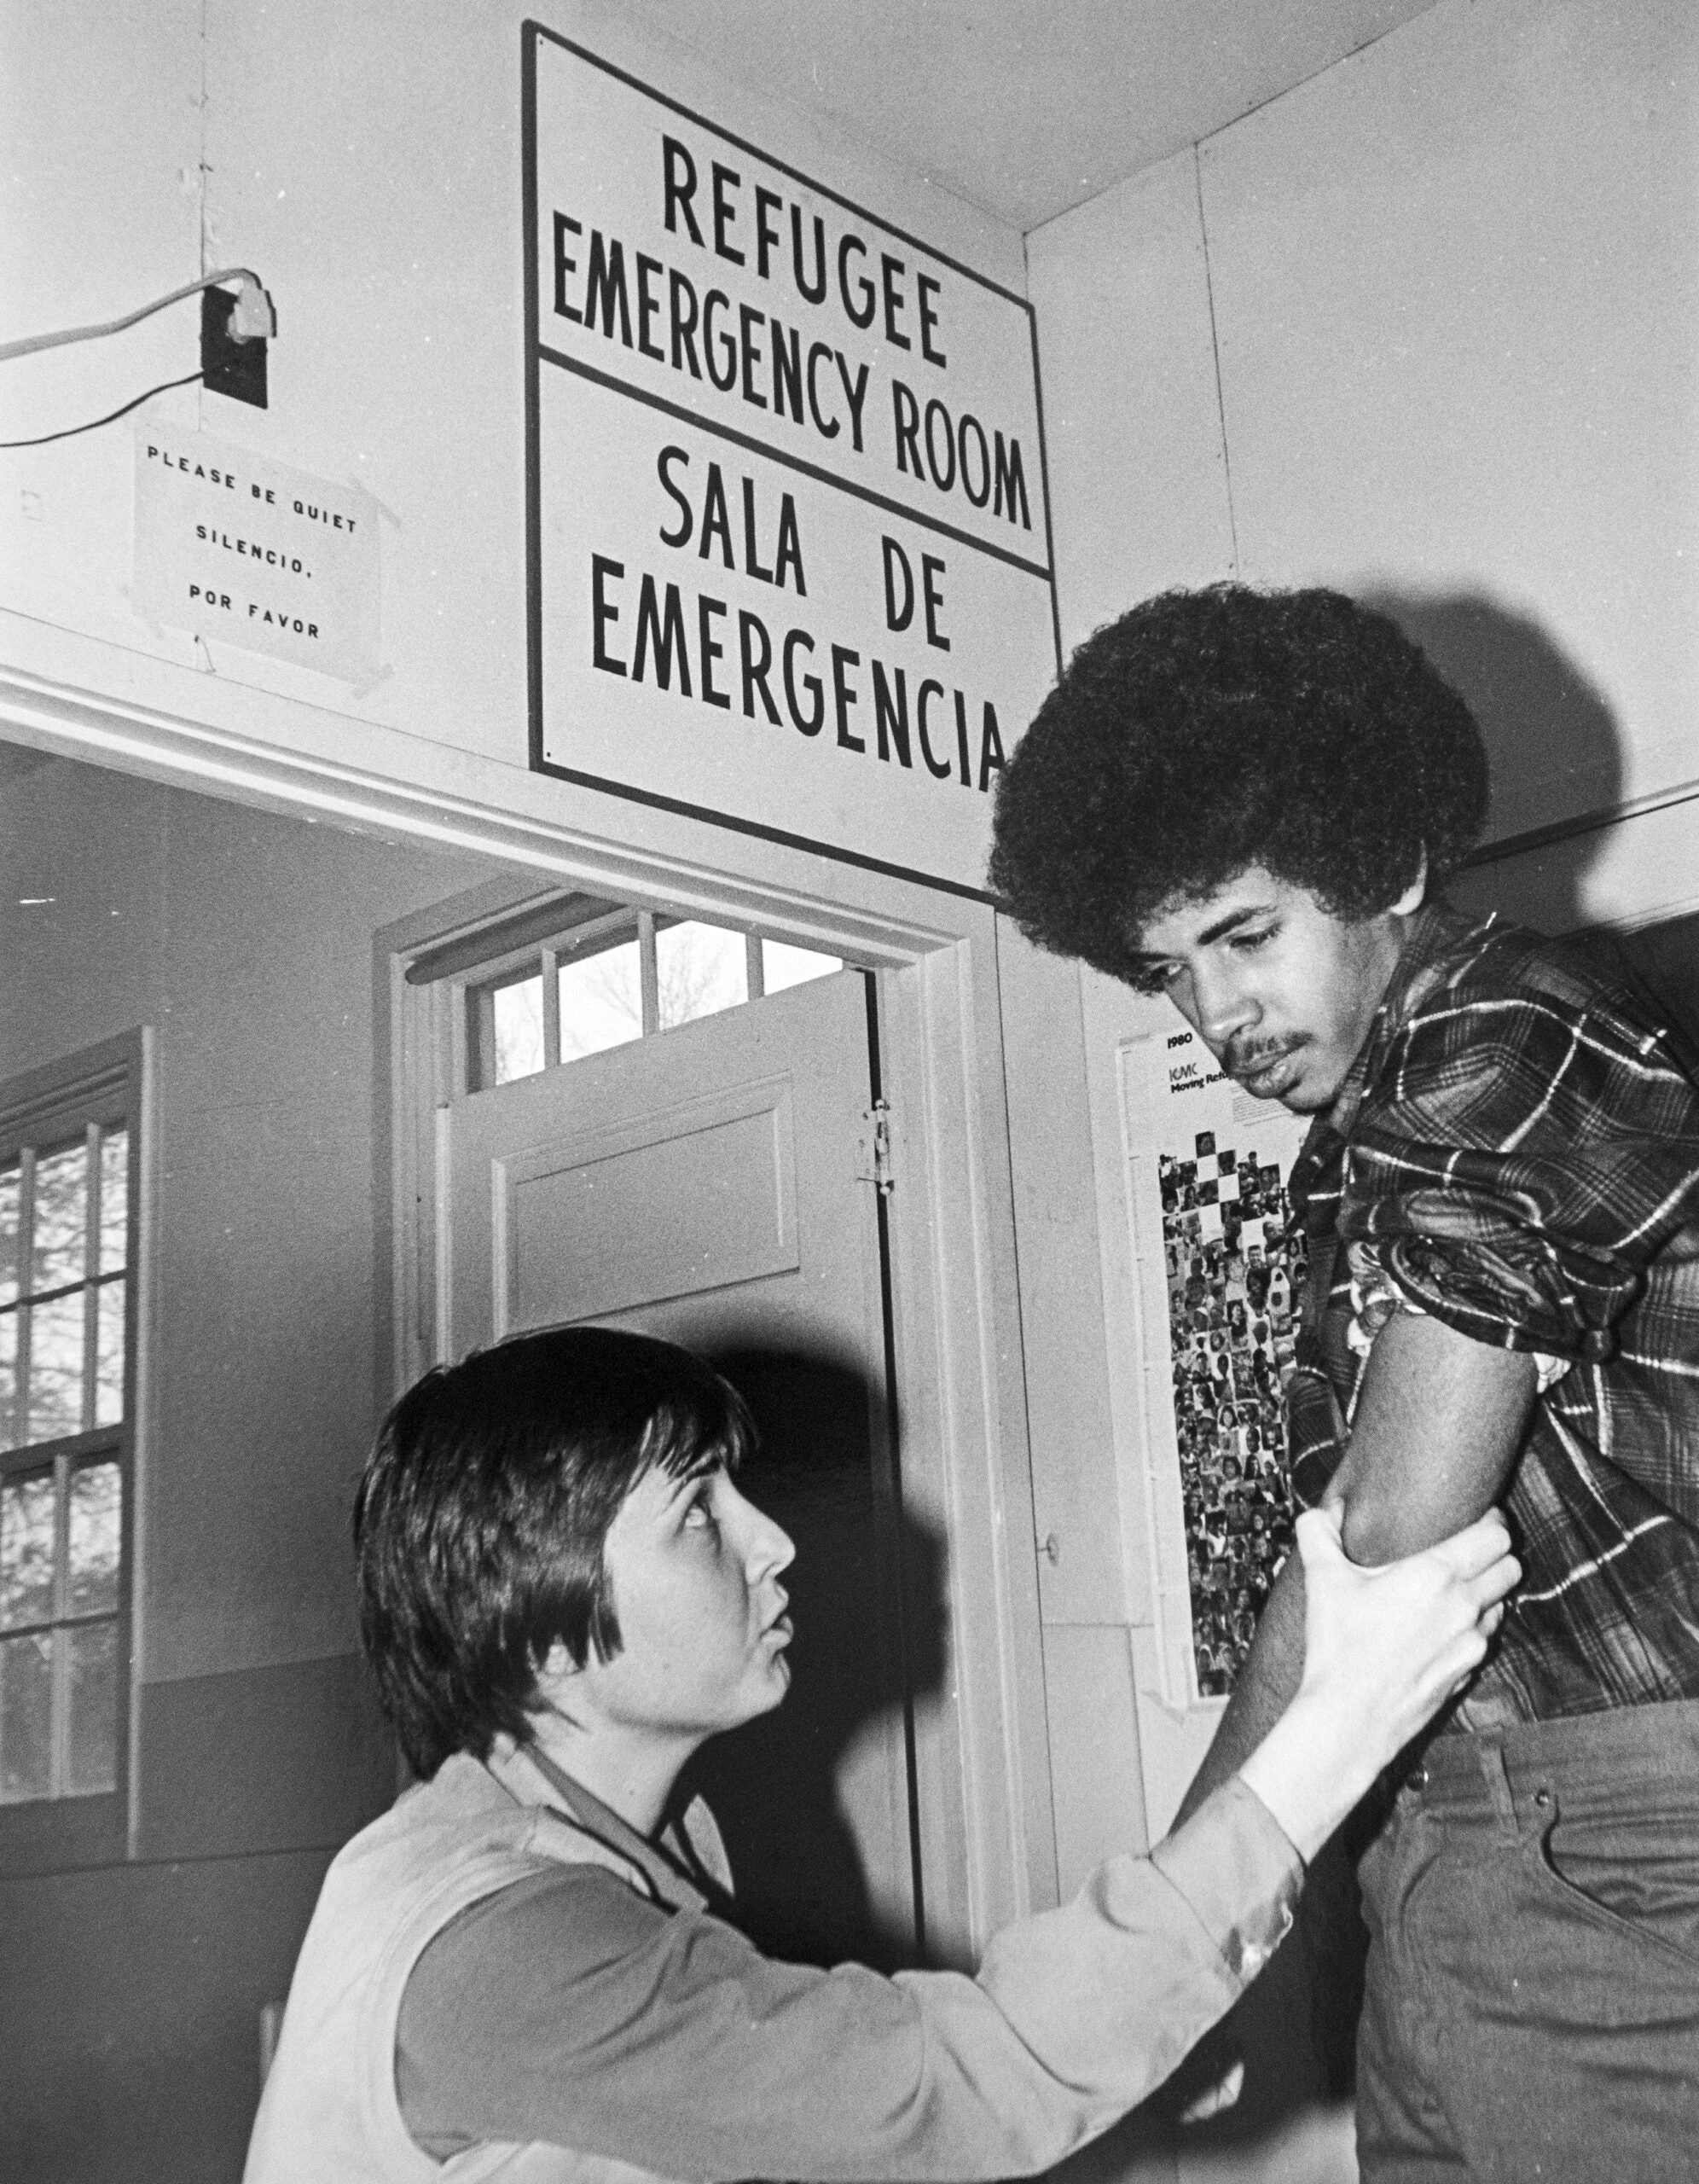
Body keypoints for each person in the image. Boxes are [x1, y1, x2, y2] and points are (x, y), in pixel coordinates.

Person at [988, 582, 1699, 2181]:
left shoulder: (1505, 1025)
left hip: (1627, 1843)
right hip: (1457, 1842)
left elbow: (1385, 1533)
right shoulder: (1358, 1132)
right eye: (1168, 970)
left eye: (1245, 936)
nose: (1215, 1015)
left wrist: (1179, 1924)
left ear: (1386, 866)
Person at [245, 1324, 1515, 2184]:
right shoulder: (502, 1945)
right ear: (544, 1630)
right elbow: (945, 2088)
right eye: (698, 1515)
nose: (773, 1542)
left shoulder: (615, 1833)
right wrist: (1339, 1731)